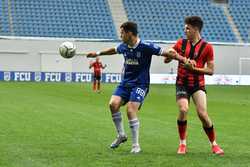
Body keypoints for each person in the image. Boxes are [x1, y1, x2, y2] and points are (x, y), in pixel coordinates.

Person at [87, 21, 193, 153]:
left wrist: (183, 60)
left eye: (122, 33)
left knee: (131, 110)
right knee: (113, 105)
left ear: (129, 33)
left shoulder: (146, 46)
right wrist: (97, 53)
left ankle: (136, 146)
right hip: (125, 84)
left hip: (140, 84)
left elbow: (167, 53)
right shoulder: (124, 46)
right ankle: (121, 135)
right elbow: (113, 50)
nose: (120, 35)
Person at [165, 16, 224, 155]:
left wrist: (194, 69)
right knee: (184, 109)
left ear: (196, 29)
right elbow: (167, 60)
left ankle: (214, 144)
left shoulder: (207, 47)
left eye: (187, 28)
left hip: (198, 85)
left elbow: (210, 71)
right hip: (182, 84)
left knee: (203, 114)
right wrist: (170, 54)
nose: (185, 30)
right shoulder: (180, 43)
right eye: (185, 28)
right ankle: (182, 144)